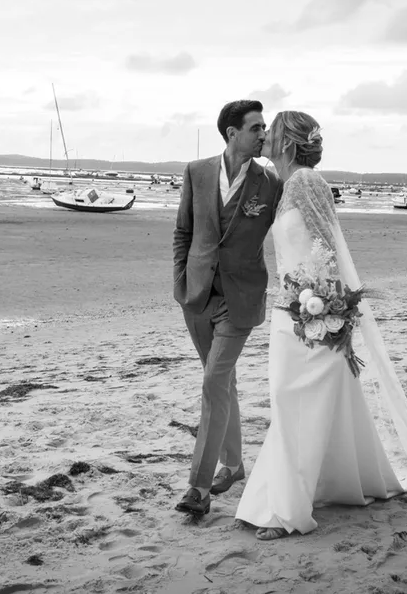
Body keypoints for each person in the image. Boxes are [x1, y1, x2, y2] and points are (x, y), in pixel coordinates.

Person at [235, 111, 407, 539]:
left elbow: (327, 248)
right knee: (294, 405)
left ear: (288, 143)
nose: (265, 136)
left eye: (271, 131)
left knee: (294, 405)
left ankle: (284, 510)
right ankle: (306, 489)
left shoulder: (306, 181)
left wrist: (326, 309)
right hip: (291, 311)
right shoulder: (286, 184)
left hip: (310, 314)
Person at [172, 100, 283, 516]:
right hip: (198, 296)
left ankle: (198, 489)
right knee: (222, 385)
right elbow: (183, 231)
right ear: (231, 133)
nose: (263, 134)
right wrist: (182, 281)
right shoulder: (196, 172)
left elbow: (290, 225)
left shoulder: (269, 182)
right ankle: (234, 465)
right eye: (256, 127)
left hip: (241, 298)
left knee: (213, 384)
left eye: (264, 127)